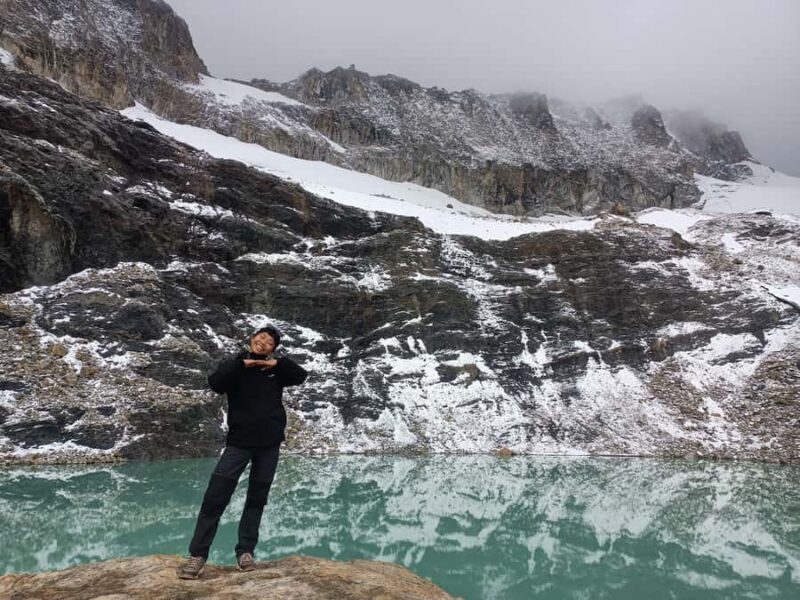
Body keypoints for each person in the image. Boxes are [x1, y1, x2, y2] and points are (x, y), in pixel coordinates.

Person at [177, 325, 308, 579]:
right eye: (260, 338)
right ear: (251, 340)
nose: (263, 342)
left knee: (257, 500)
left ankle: (245, 552)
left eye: (269, 341)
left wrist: (276, 364)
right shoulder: (236, 367)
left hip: (269, 445)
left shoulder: (277, 371)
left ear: (273, 348)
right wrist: (241, 363)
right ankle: (197, 556)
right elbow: (215, 383)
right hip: (239, 444)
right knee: (215, 498)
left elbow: (300, 375)